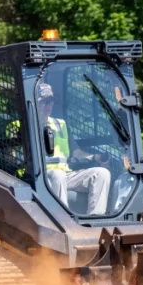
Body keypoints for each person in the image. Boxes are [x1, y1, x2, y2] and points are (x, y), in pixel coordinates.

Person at [36, 83, 111, 215]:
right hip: (39, 176)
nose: (48, 106)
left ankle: (95, 219)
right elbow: (12, 158)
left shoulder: (60, 124)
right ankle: (63, 220)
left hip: (65, 174)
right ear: (34, 103)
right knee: (57, 175)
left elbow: (76, 153)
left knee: (102, 173)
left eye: (50, 102)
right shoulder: (20, 126)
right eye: (43, 102)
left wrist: (95, 157)